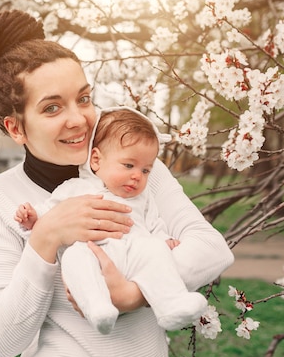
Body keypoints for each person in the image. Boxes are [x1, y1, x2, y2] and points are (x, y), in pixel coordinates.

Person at [0, 9, 234, 357]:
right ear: (16, 127)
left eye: (84, 98)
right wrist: (46, 236)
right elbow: (4, 341)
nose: (80, 119)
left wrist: (134, 294)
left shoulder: (129, 167)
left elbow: (211, 249)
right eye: (52, 107)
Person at [14, 107, 207, 335]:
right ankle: (97, 306)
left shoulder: (143, 198)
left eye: (146, 170)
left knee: (156, 251)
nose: (137, 176)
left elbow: (154, 225)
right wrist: (33, 219)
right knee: (75, 259)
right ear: (96, 159)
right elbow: (50, 217)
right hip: (93, 252)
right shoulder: (75, 188)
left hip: (134, 253)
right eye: (128, 165)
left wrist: (165, 241)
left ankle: (172, 305)